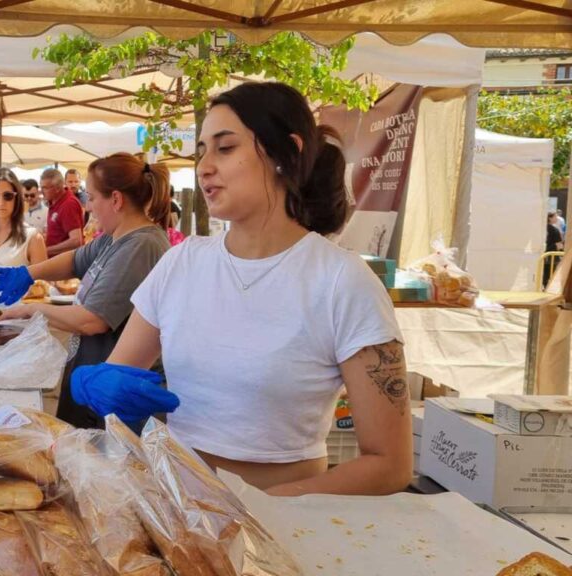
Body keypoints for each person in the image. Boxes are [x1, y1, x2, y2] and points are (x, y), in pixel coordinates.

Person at [71, 83, 411, 497]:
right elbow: (119, 372)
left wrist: (256, 508)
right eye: (201, 151)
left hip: (287, 525)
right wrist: (90, 382)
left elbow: (390, 465)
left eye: (225, 148)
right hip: (177, 509)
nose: (204, 167)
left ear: (285, 153)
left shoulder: (342, 281)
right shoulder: (182, 264)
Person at [0, 153, 172, 428]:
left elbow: (92, 320)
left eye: (92, 198)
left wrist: (30, 309)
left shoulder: (142, 246)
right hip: (92, 380)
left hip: (114, 397)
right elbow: (75, 260)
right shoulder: (114, 238)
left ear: (116, 200)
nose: (89, 206)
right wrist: (27, 273)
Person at [41, 168, 84, 256]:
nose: (41, 191)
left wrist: (45, 250)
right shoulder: (54, 201)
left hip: (64, 265)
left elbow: (76, 241)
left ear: (57, 188)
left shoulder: (68, 204)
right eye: (41, 187)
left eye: (45, 188)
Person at [545, 212, 564, 287]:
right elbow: (559, 245)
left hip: (544, 256)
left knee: (544, 277)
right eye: (555, 217)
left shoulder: (542, 228)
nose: (557, 218)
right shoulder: (554, 229)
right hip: (552, 257)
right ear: (550, 218)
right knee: (550, 276)